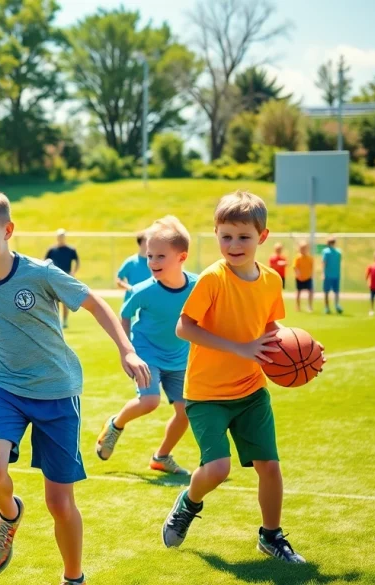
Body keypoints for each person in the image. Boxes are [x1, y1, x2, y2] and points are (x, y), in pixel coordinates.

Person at [0, 188, 149, 585]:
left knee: (59, 502)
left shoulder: (41, 272)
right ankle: (9, 514)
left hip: (57, 391)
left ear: (8, 230)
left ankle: (73, 578)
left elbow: (93, 302)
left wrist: (127, 350)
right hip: (4, 389)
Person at [162, 190, 324, 564]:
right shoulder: (212, 279)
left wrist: (309, 353)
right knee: (217, 468)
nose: (234, 244)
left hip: (251, 390)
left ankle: (271, 537)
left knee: (270, 467)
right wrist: (241, 348)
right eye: (226, 236)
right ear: (216, 234)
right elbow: (184, 327)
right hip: (206, 393)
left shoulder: (270, 280)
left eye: (243, 236)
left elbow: (271, 329)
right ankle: (189, 502)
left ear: (262, 237)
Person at [96, 217, 196, 476]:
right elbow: (125, 315)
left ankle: (161, 457)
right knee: (150, 401)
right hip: (147, 352)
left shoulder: (198, 286)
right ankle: (116, 425)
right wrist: (126, 351)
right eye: (150, 256)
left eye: (160, 256)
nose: (152, 262)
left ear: (182, 257)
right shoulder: (141, 290)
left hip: (179, 357)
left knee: (185, 413)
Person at [44, 228, 80, 328]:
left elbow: (77, 261)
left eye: (62, 236)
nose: (61, 238)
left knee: (65, 301)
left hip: (65, 277)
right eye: (59, 236)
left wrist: (73, 272)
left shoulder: (71, 250)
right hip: (53, 278)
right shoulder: (52, 250)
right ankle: (56, 320)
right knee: (54, 301)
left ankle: (64, 321)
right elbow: (44, 262)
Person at [115, 231, 151, 303]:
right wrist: (130, 288)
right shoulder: (131, 262)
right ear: (140, 243)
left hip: (149, 301)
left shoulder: (154, 262)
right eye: (147, 241)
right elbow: (118, 280)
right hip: (131, 301)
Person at [321, 236, 343, 314]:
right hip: (328, 275)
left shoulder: (338, 252)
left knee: (336, 291)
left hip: (336, 275)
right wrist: (323, 273)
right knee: (326, 292)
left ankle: (337, 305)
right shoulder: (326, 252)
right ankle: (327, 307)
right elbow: (324, 263)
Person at [292, 241, 313, 313]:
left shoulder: (310, 258)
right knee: (298, 292)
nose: (303, 250)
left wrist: (311, 275)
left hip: (308, 278)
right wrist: (298, 274)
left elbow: (311, 267)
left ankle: (310, 306)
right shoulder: (298, 258)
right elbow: (295, 267)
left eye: (305, 248)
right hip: (299, 278)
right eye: (302, 248)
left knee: (310, 291)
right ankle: (298, 306)